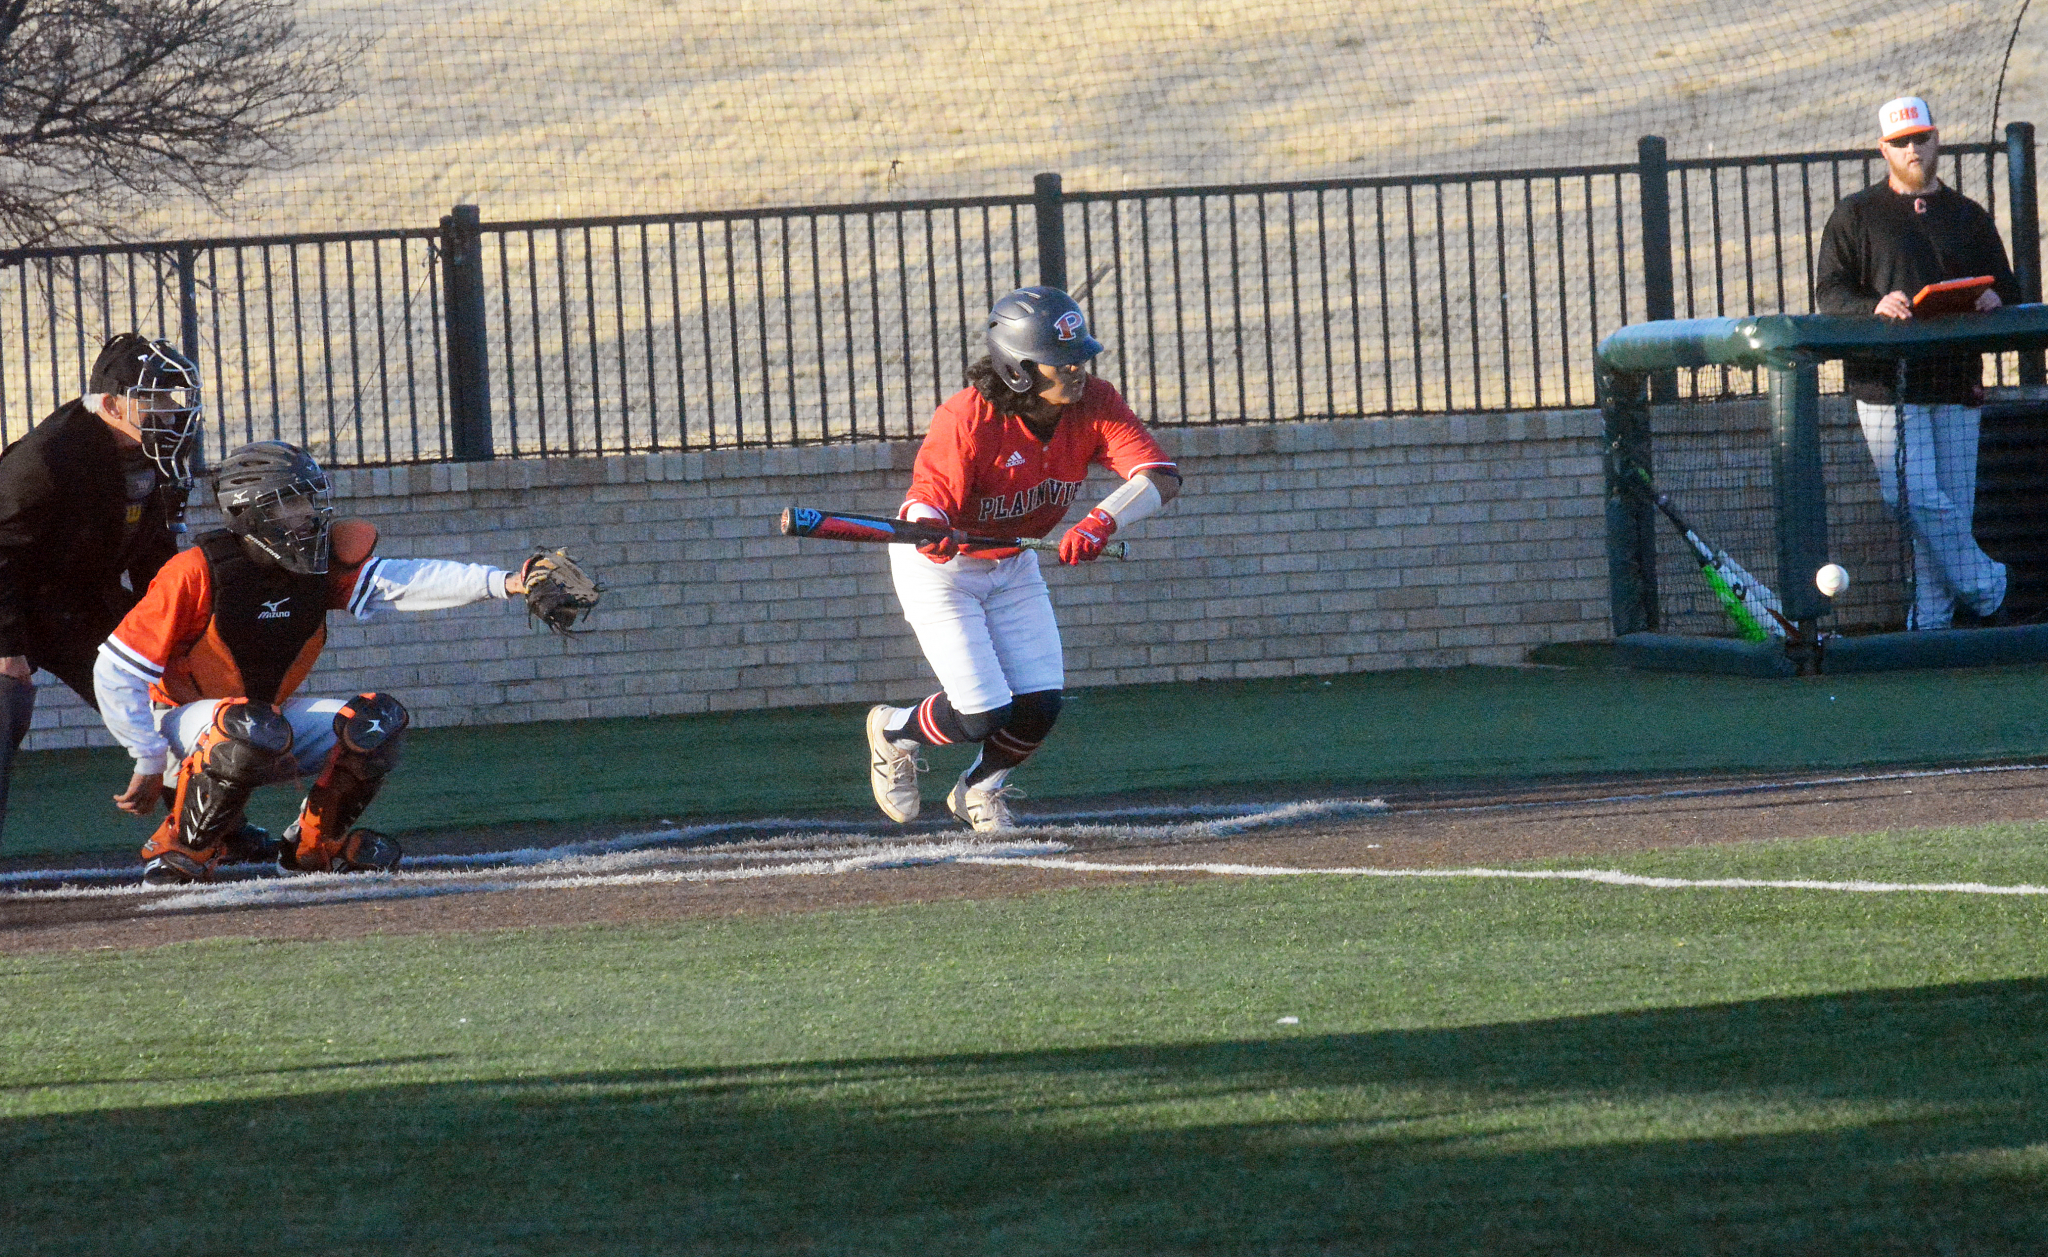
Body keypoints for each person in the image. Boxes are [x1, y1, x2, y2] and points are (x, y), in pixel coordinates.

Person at [94, 440, 541, 885]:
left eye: (309, 498)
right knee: (250, 725)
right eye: (292, 501)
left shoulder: (317, 564)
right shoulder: (195, 571)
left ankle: (310, 847)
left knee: (375, 722)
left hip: (259, 719)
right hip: (179, 725)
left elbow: (403, 581)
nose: (308, 512)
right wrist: (148, 758)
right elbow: (115, 669)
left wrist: (506, 582)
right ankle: (181, 849)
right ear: (254, 511)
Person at [864, 286, 1180, 832]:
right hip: (942, 569)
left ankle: (979, 789)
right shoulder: (967, 417)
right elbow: (928, 497)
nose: (1078, 371)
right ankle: (895, 731)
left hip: (1011, 563)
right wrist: (931, 526)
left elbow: (1160, 475)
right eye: (1061, 363)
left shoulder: (1096, 402)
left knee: (1040, 705)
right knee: (983, 712)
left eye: (1081, 356)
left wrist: (1104, 519)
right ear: (1018, 369)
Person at [1815, 95, 2020, 630]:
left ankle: (1928, 627)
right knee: (1909, 492)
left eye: (1920, 137)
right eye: (1901, 141)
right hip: (1886, 385)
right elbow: (1830, 293)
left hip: (1955, 382)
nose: (1912, 148)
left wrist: (1996, 297)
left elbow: (2010, 284)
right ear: (1883, 148)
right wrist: (1874, 305)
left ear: (1936, 140)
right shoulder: (1855, 214)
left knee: (1947, 511)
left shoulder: (1967, 215)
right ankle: (1987, 584)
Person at [0, 332, 202, 845]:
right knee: (5, 706)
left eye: (171, 399)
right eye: (152, 399)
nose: (168, 412)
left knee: (166, 697)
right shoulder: (49, 457)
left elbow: (154, 552)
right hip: (15, 601)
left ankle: (206, 829)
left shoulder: (154, 453)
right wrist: (8, 646)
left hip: (80, 600)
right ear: (112, 404)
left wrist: (169, 630)